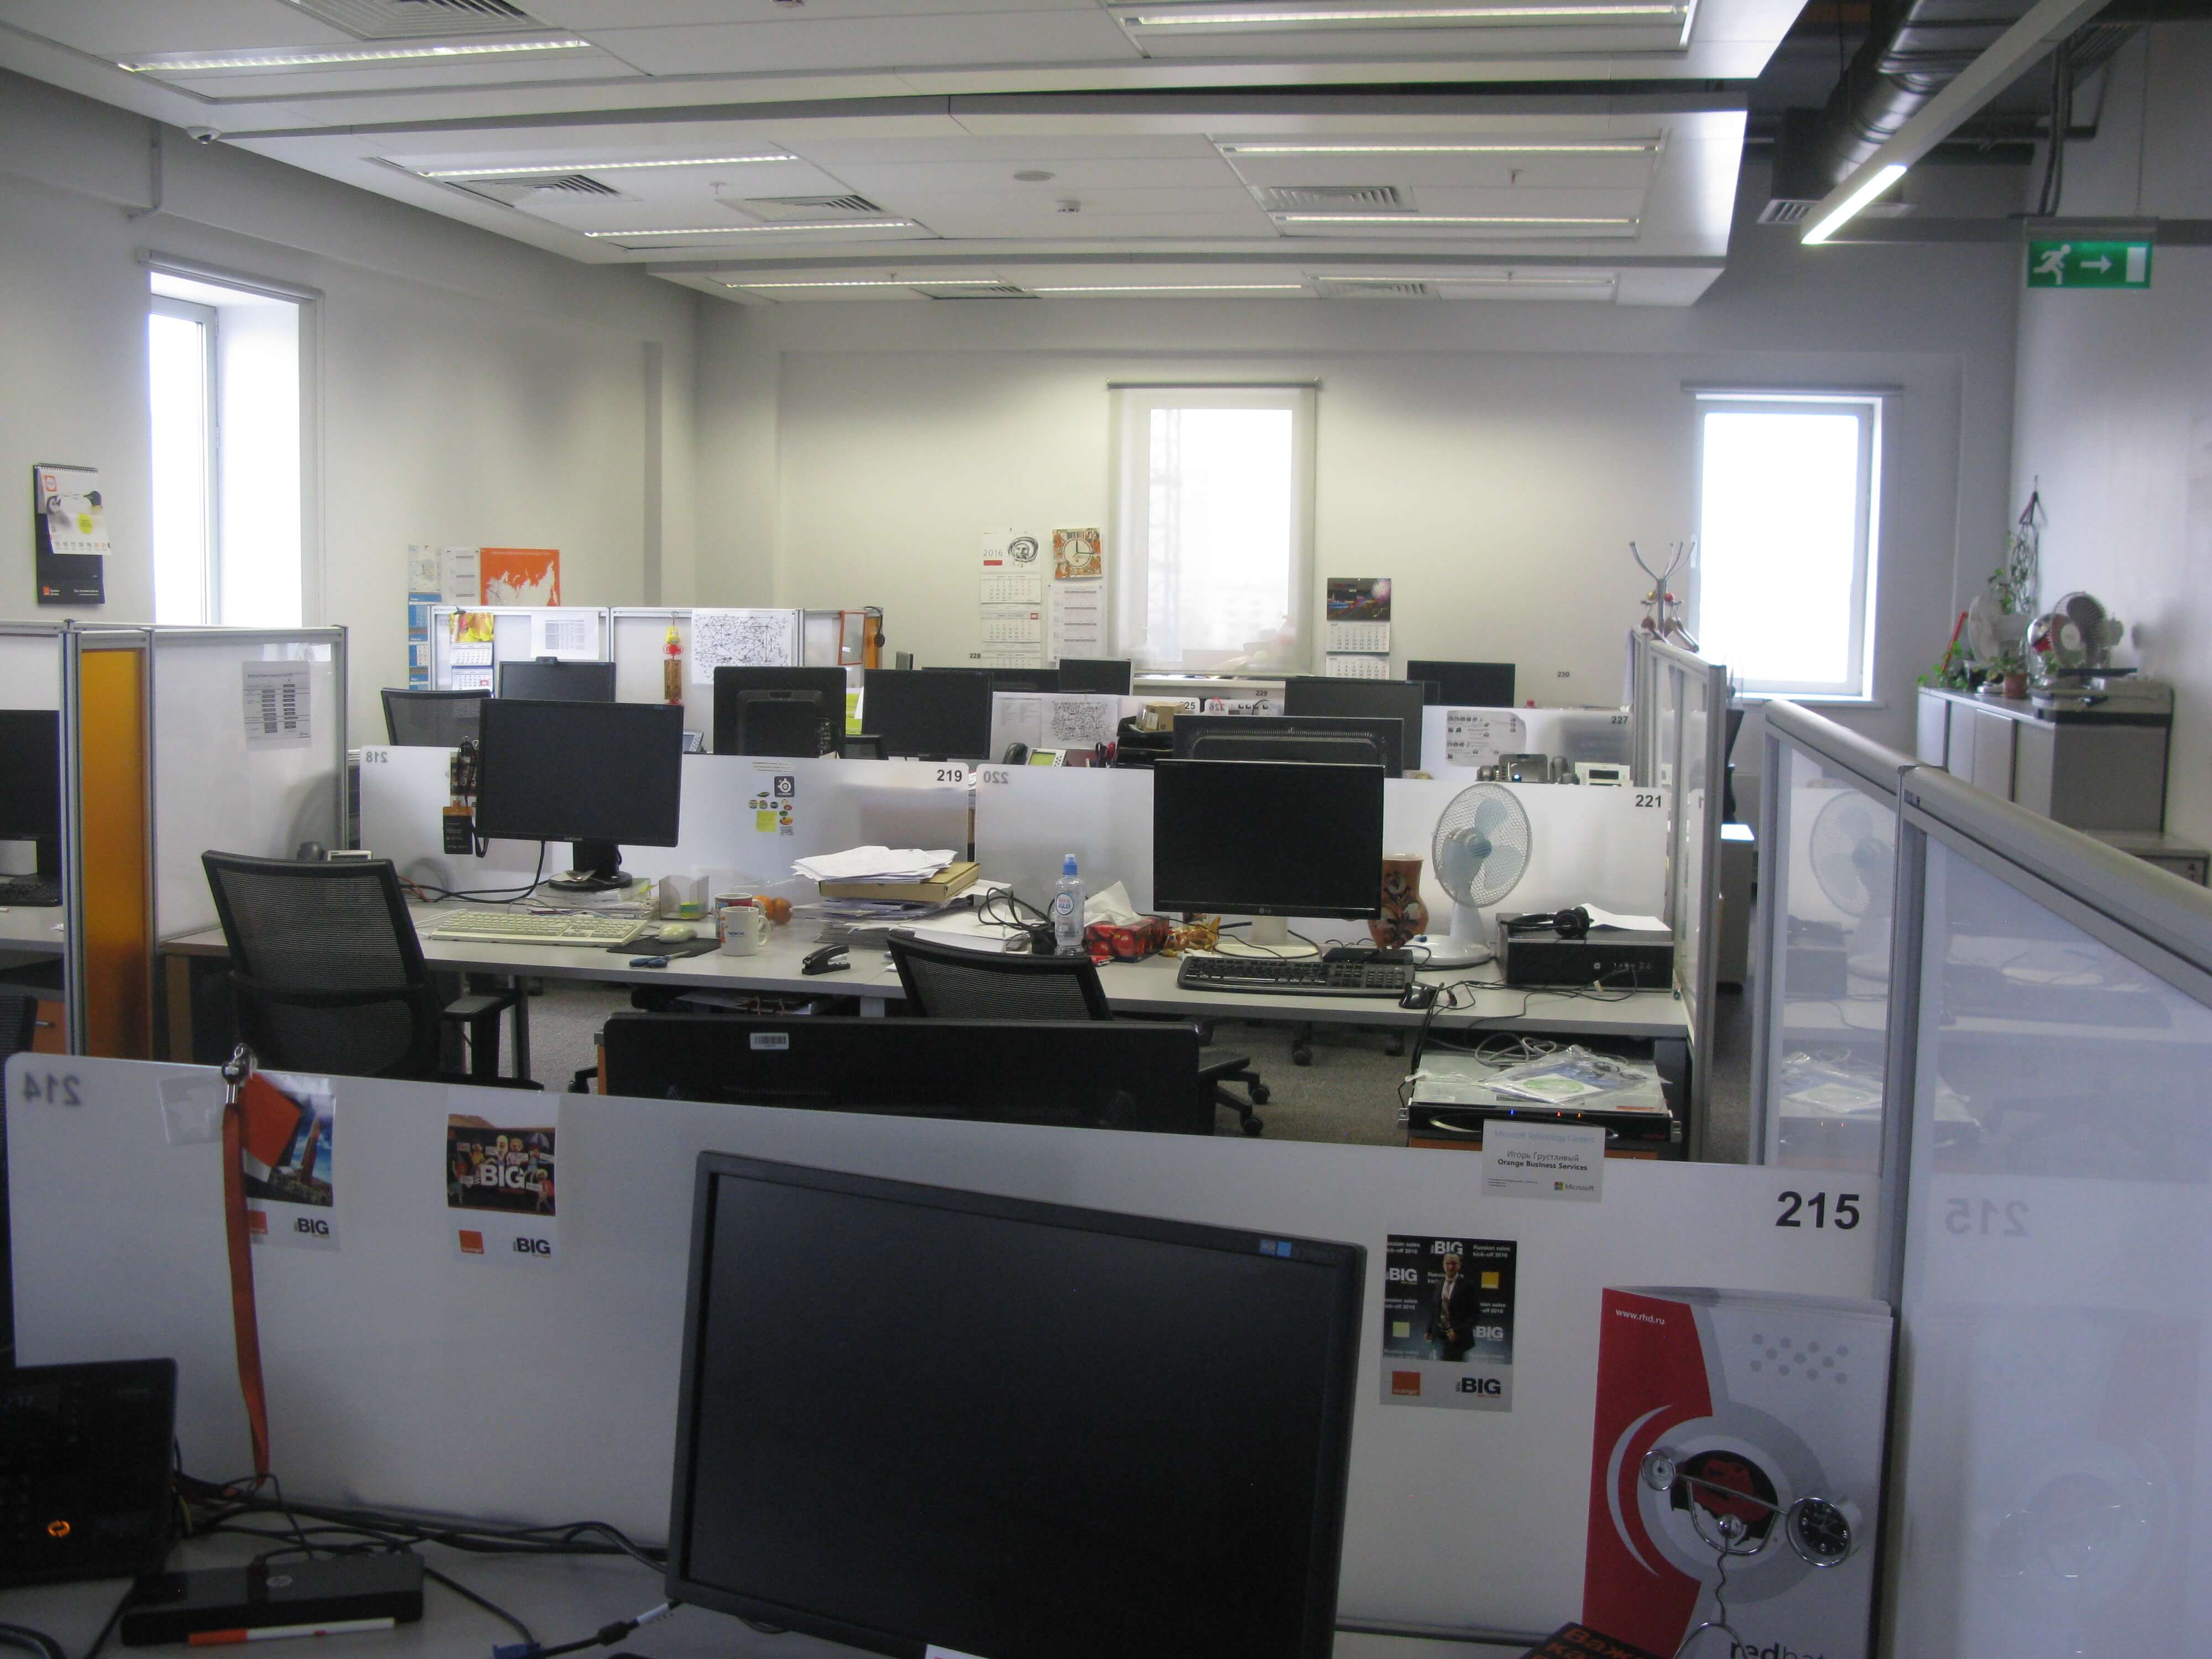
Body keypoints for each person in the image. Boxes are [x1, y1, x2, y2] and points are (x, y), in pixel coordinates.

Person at [1426, 1252, 1479, 1361]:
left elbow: (1475, 1315)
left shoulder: (1468, 1286)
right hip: (1439, 1338)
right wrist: (1429, 1330)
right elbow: (1435, 1310)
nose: (1450, 1267)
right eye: (1448, 1263)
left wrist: (1458, 1332)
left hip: (1458, 1340)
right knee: (1438, 1369)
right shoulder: (1438, 1284)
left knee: (1457, 1370)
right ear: (1443, 1265)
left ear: (1459, 1265)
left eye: (1454, 1264)